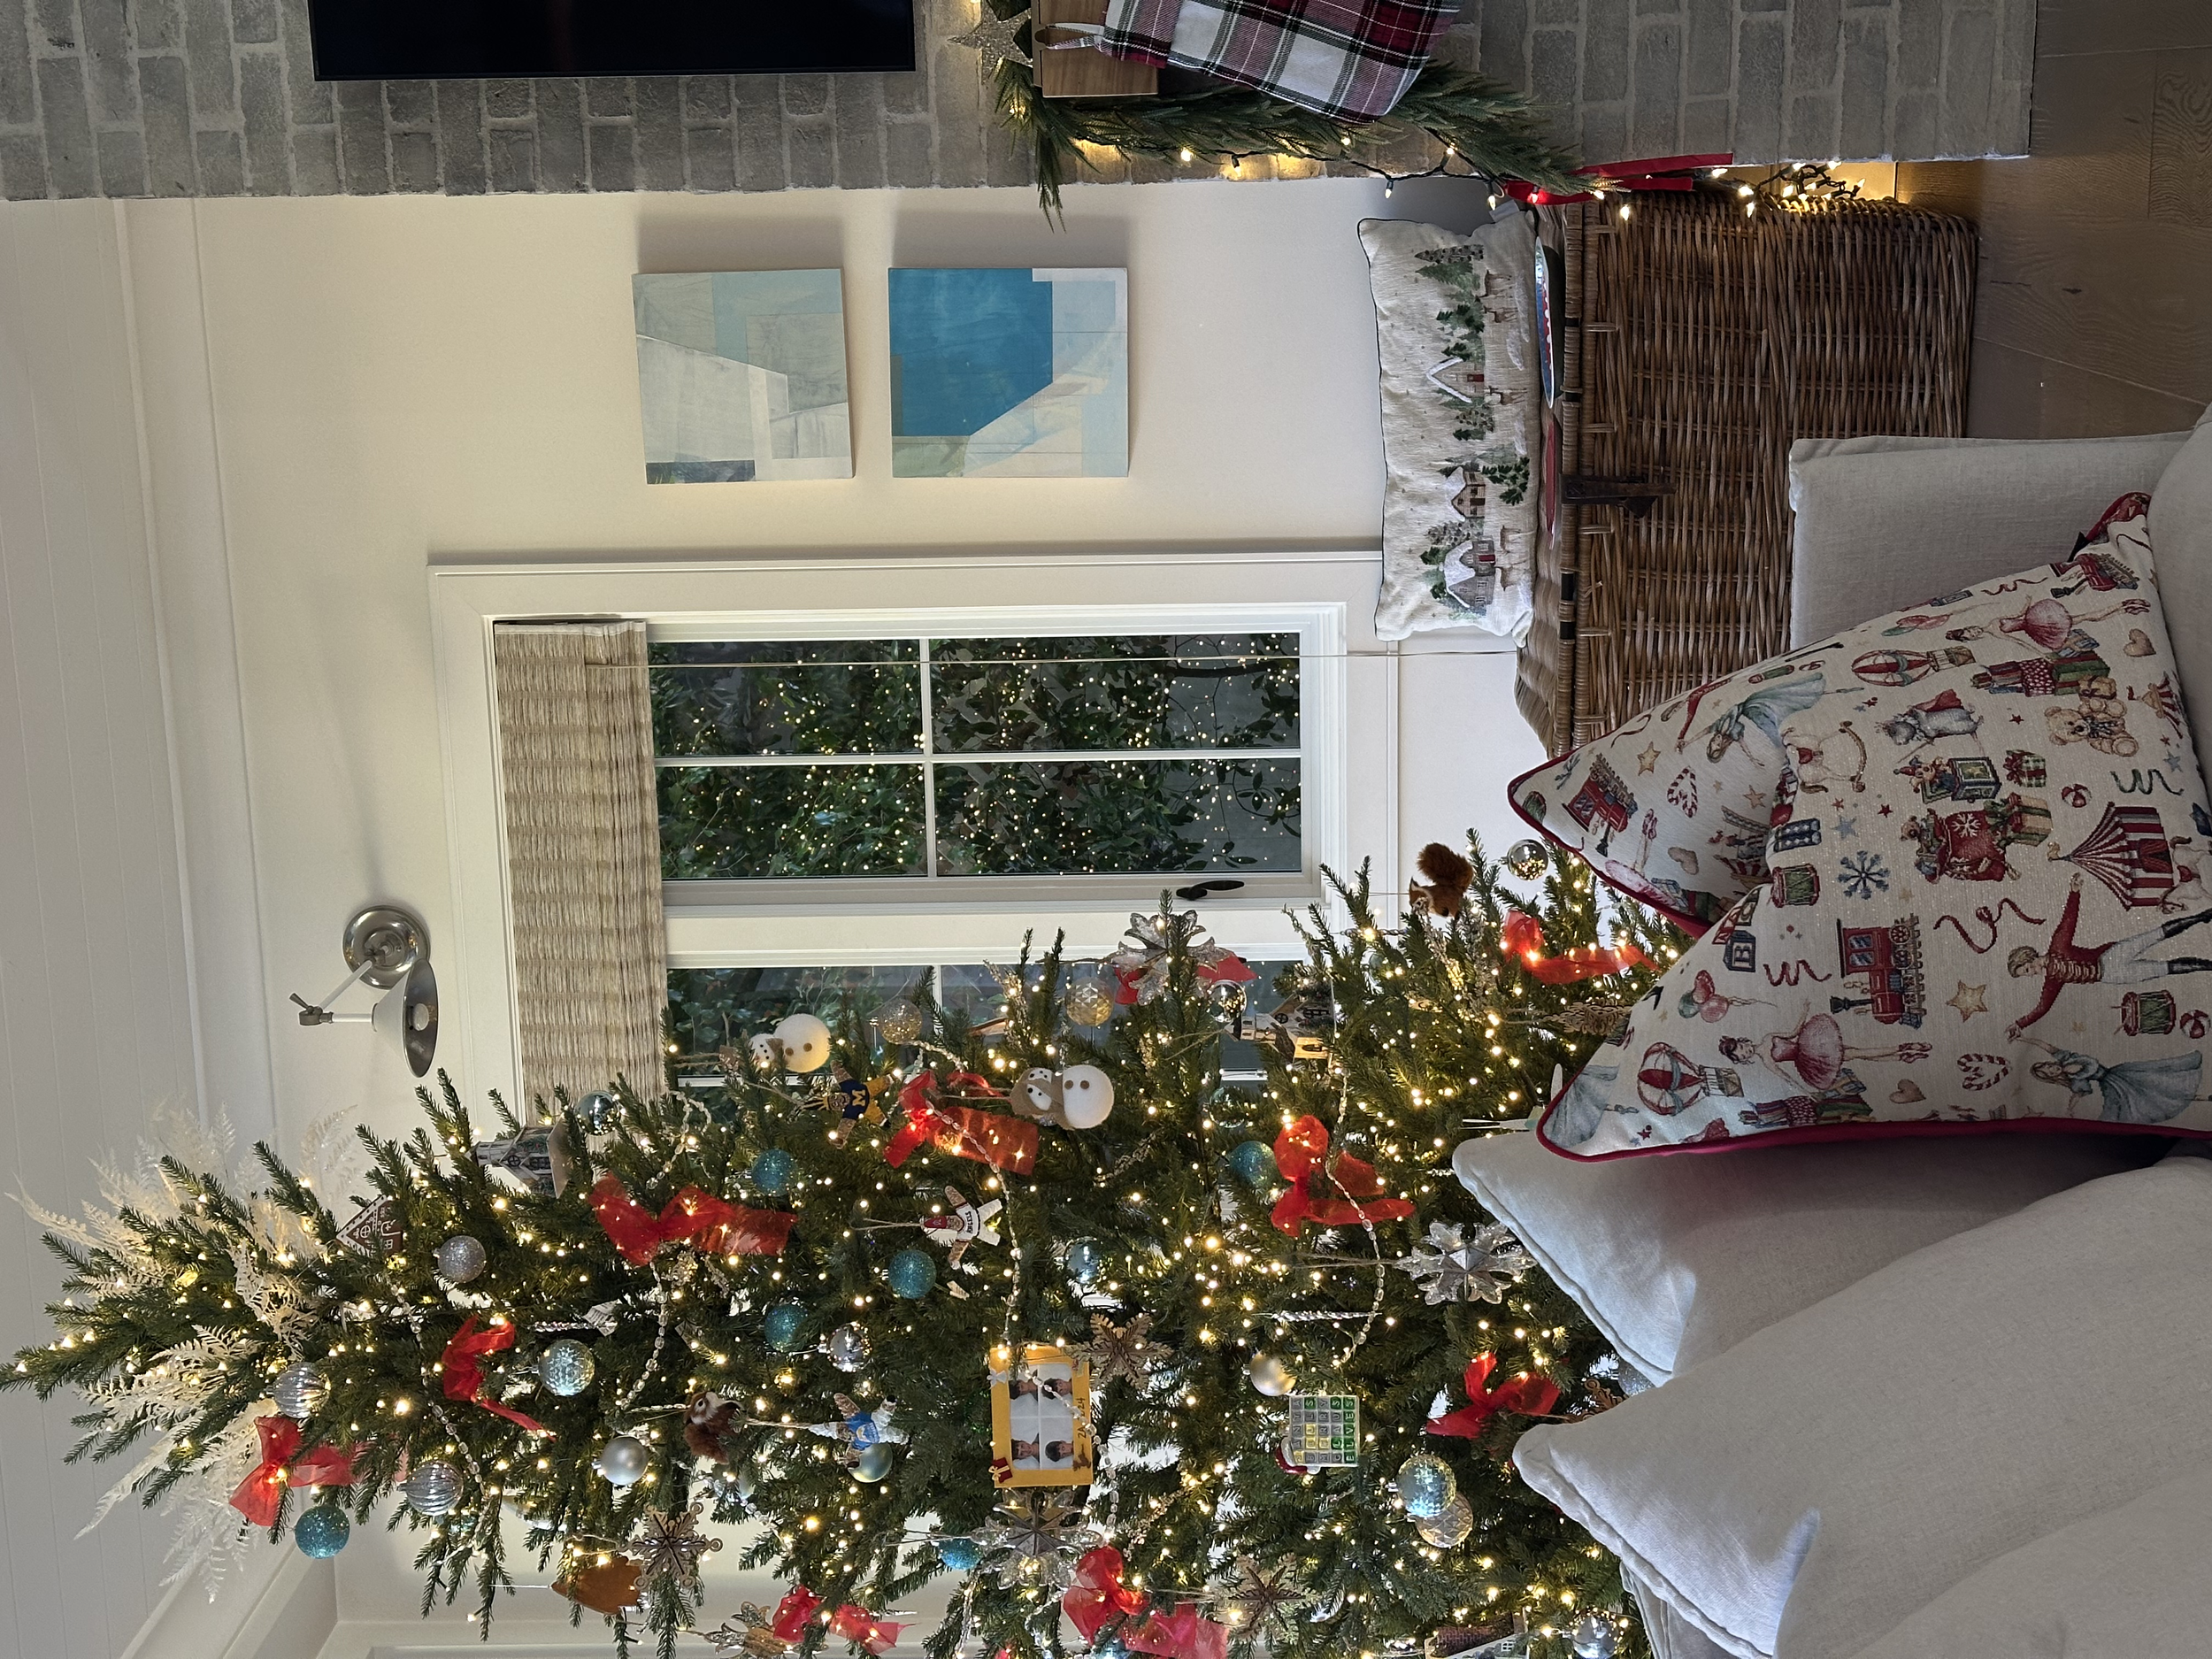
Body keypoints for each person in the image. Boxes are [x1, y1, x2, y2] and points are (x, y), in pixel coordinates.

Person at [2004, 875, 2212, 1037]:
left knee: (2153, 936)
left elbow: (2068, 921)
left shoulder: (2057, 948)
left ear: (2028, 957)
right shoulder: (2053, 980)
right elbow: (2043, 1007)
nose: (2031, 974)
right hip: (2110, 976)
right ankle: (2207, 965)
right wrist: (2020, 1023)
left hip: (2109, 957)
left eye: (2027, 969)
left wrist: (2074, 893)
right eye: (2027, 974)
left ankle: (2200, 917)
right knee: (2162, 969)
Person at [2019, 1035, 2204, 1125]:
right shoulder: (2073, 1079)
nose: (2052, 1068)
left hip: (2118, 1073)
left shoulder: (2065, 1057)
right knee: (2136, 1103)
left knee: (2154, 1080)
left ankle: (2192, 1094)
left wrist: (2024, 1039)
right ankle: (2194, 1099)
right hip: (2110, 1085)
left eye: (2048, 1065)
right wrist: (2070, 1108)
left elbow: (2047, 1046)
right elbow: (2078, 1093)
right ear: (2054, 1077)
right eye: (2050, 1072)